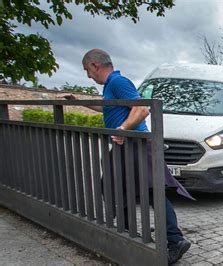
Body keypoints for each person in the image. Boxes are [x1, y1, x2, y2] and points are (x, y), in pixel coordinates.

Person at [59, 49, 191, 264]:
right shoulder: (111, 86)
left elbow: (141, 110)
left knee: (147, 191)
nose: (88, 76)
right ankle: (132, 234)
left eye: (87, 70)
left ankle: (173, 240)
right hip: (129, 144)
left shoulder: (118, 82)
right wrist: (78, 100)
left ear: (94, 65)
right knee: (119, 187)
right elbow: (107, 109)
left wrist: (121, 129)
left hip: (135, 144)